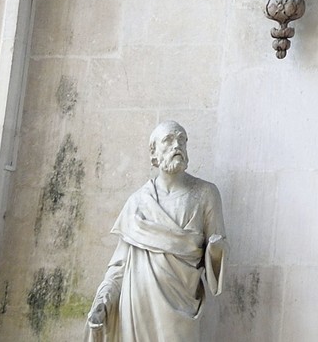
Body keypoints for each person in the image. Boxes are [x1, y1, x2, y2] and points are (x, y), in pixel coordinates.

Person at [87, 123, 224, 337]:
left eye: (182, 139)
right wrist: (103, 299)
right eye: (168, 140)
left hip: (181, 307)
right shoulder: (138, 202)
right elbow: (119, 266)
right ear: (154, 153)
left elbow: (216, 250)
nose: (176, 145)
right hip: (136, 308)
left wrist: (216, 250)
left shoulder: (206, 193)